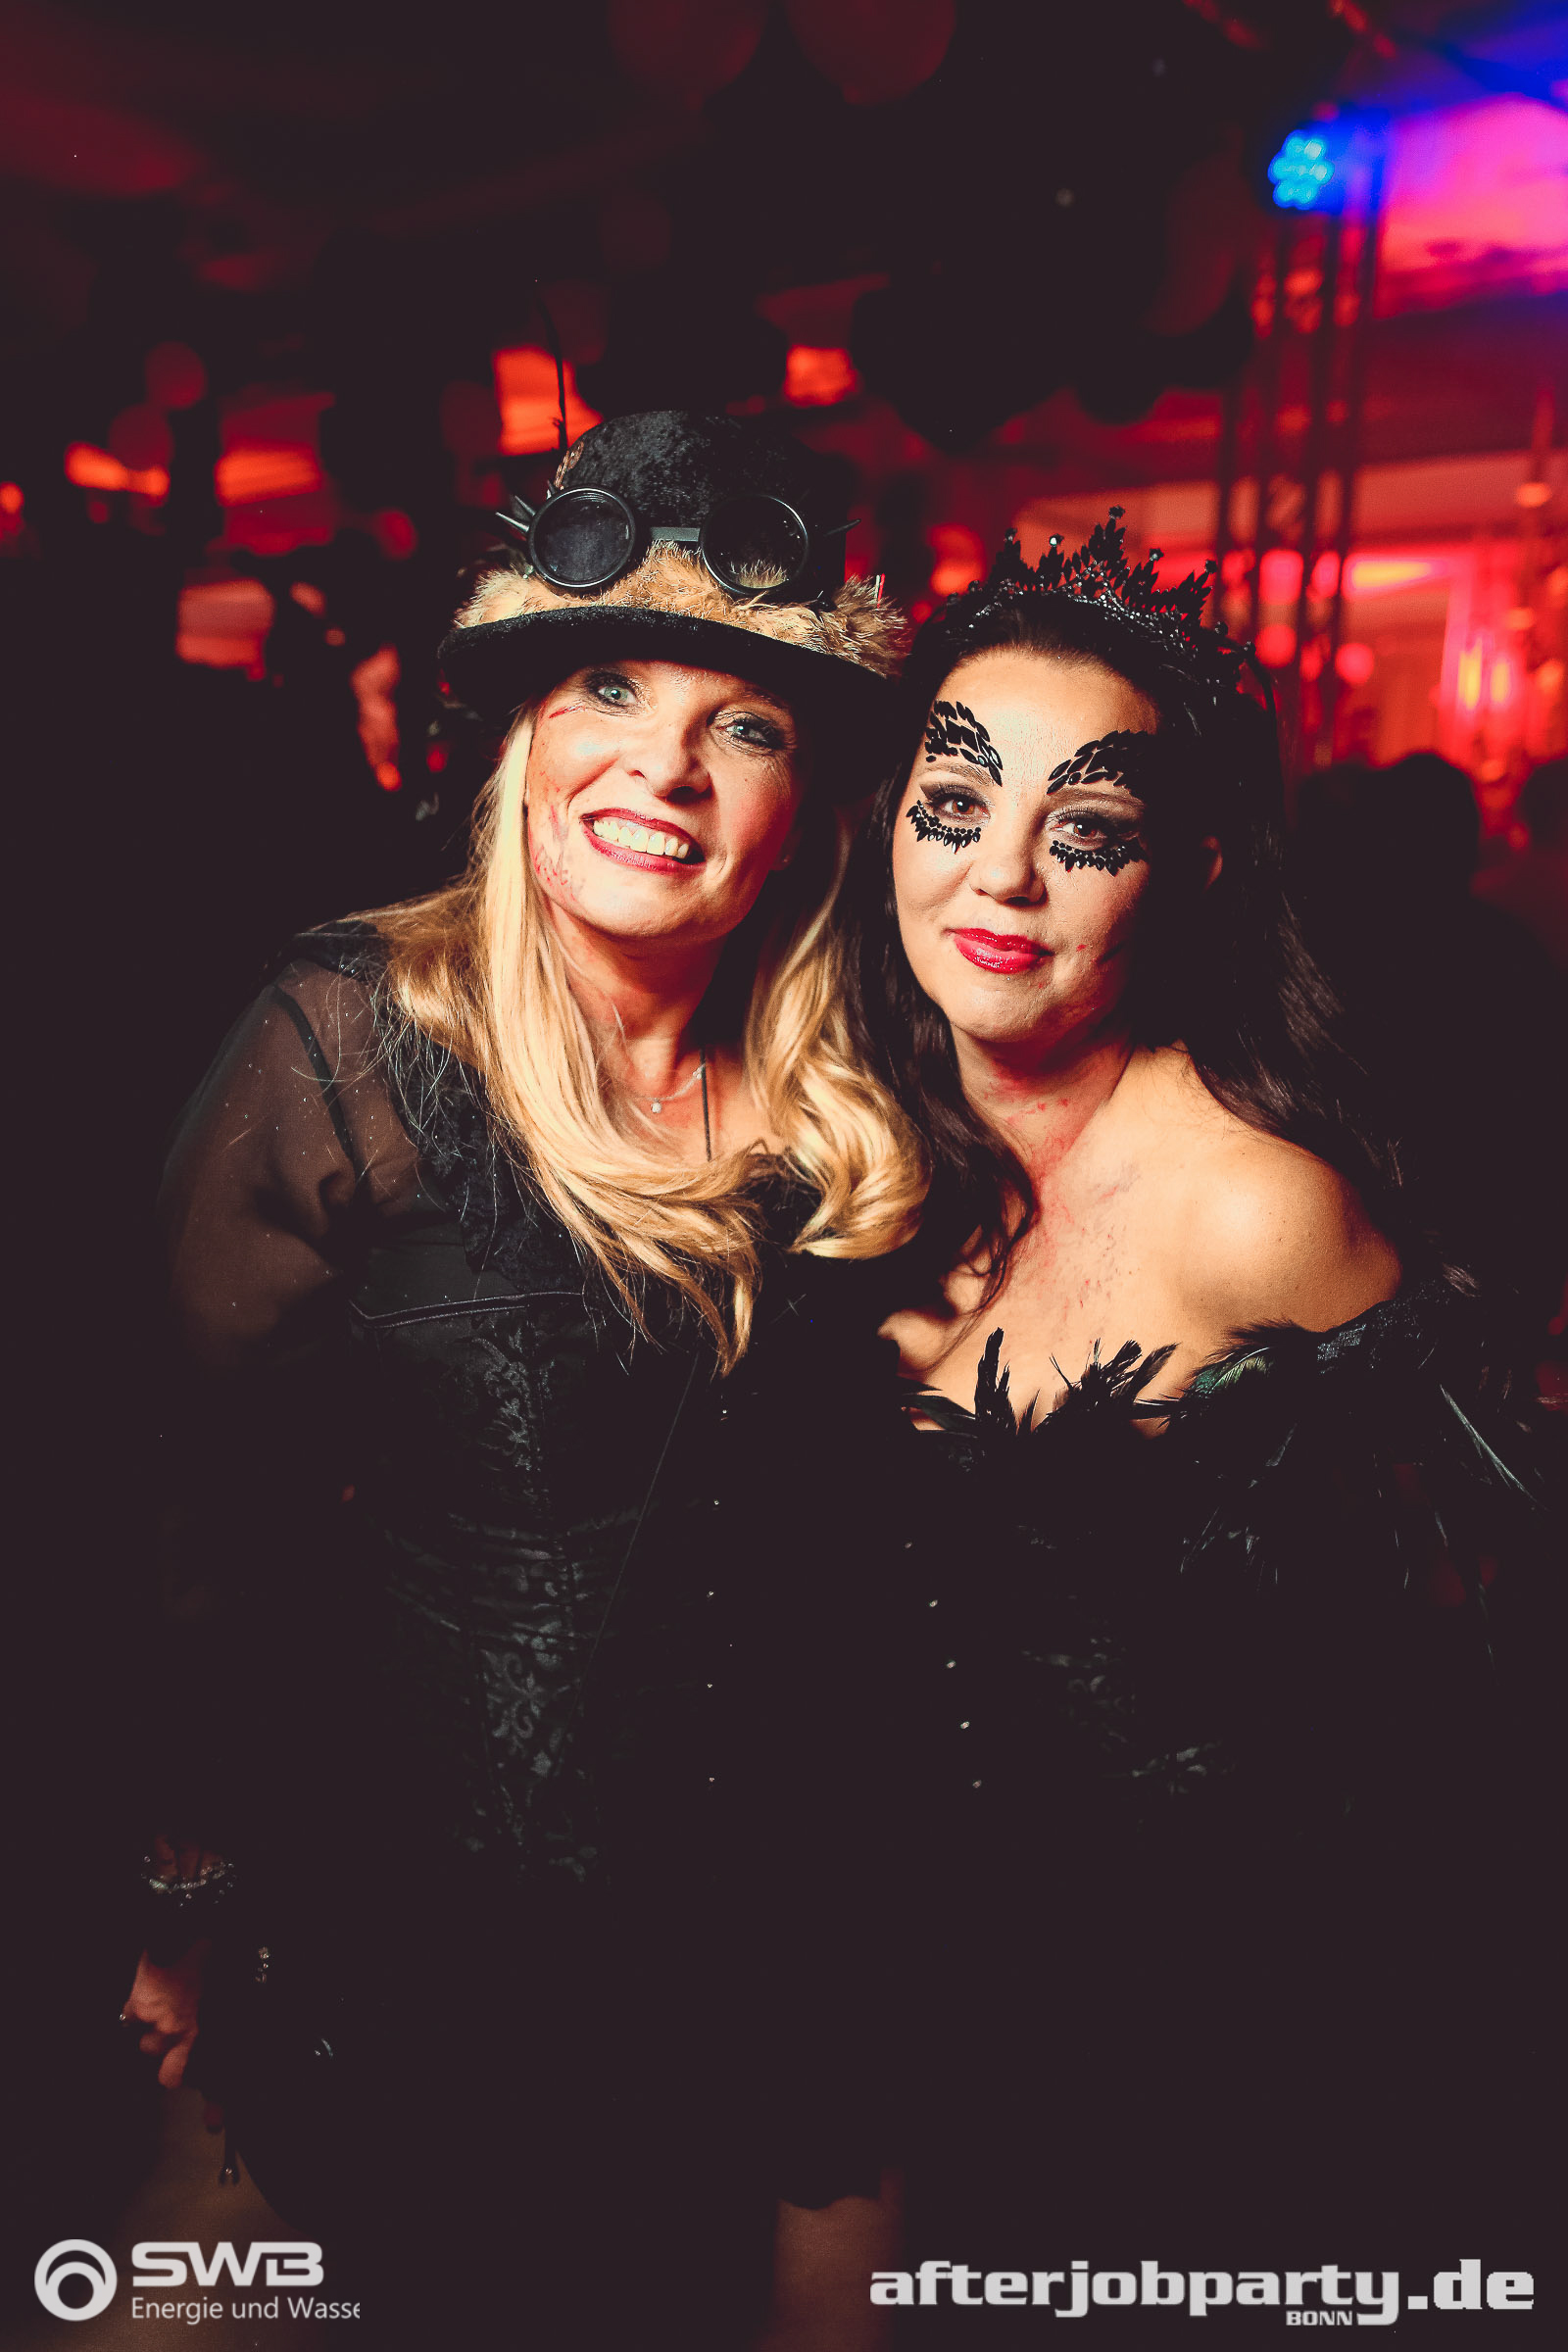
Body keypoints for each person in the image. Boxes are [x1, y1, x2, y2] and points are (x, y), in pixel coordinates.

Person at [122, 412, 916, 2350]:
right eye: (609, 690)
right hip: (424, 1972)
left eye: (742, 722)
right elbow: (183, 1514)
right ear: (521, 747)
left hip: (770, 1976)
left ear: (801, 807)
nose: (665, 763)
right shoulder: (350, 1044)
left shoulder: (862, 1115)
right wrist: (180, 1898)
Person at [837, 516, 1558, 2313]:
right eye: (953, 804)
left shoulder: (1257, 1210)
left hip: (1197, 2075)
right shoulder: (866, 1154)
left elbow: (1469, 1696)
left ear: (1195, 868)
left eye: (1085, 829)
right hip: (907, 2014)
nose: (1002, 875)